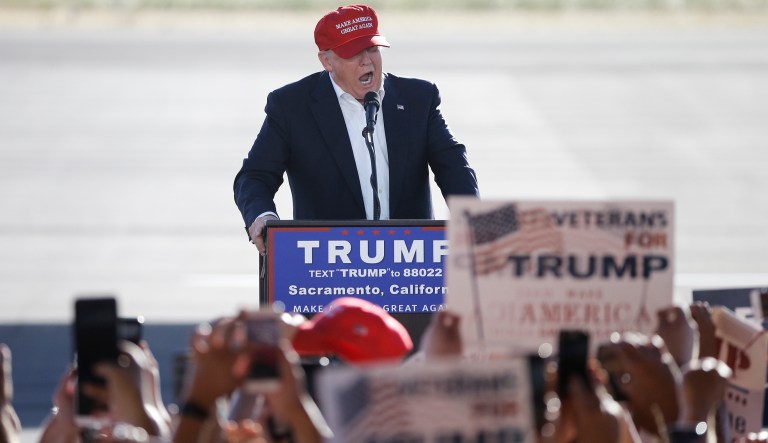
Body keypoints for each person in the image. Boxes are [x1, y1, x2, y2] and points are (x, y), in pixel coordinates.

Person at [233, 3, 480, 254]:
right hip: (328, 262)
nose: (366, 61)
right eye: (353, 53)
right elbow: (254, 177)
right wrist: (263, 217)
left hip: (409, 262)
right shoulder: (292, 107)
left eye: (372, 48)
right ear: (327, 61)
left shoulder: (418, 99)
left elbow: (453, 164)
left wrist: (471, 215)